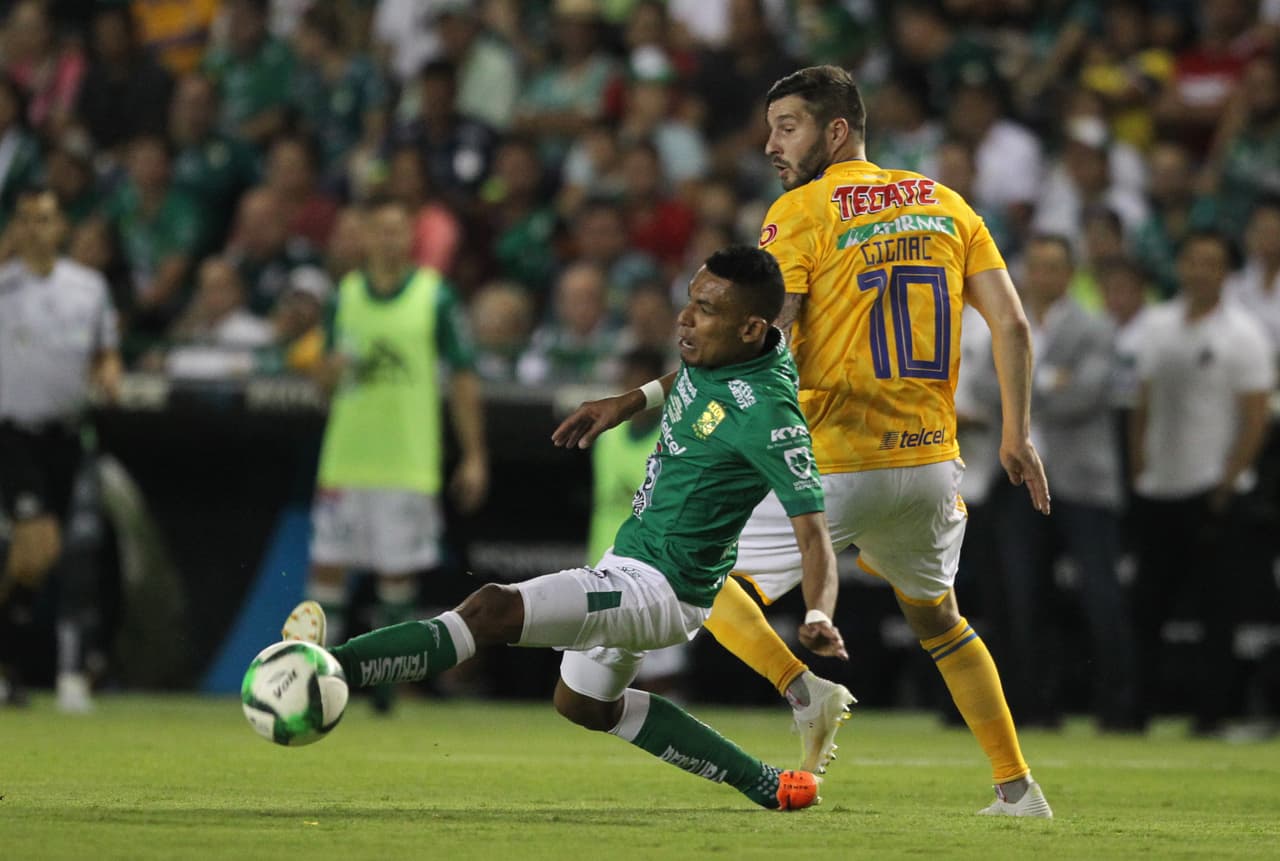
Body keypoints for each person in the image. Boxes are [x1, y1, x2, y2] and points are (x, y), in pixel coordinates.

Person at [557, 66, 1053, 817]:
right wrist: (1016, 433)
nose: (769, 144)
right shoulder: (947, 205)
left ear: (836, 131)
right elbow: (1013, 324)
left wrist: (646, 396)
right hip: (927, 463)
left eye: (786, 126)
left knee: (702, 584)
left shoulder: (802, 212)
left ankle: (804, 689)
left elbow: (757, 336)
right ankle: (1017, 787)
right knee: (942, 623)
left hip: (837, 457)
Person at [282, 246, 842, 811]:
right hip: (632, 560)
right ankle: (768, 786)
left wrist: (818, 612)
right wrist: (631, 400)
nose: (685, 318)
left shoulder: (771, 417)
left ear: (750, 327)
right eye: (689, 302)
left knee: (490, 609)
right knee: (583, 704)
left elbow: (814, 532)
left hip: (663, 590)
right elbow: (699, 377)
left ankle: (330, 667)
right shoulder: (726, 350)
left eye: (704, 309)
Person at [303, 195, 488, 712]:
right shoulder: (345, 296)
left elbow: (464, 378)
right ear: (364, 236)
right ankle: (317, 680)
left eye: (397, 230)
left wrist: (474, 454)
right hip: (346, 458)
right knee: (328, 569)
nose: (388, 239)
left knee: (397, 576)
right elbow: (322, 384)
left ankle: (385, 687)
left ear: (411, 238)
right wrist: (327, 371)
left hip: (407, 462)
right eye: (379, 229)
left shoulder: (435, 298)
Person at [976, 235, 1139, 732]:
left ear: (1071, 274)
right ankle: (1034, 708)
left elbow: (1088, 394)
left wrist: (1021, 392)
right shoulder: (1007, 323)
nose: (1045, 276)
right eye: (1037, 266)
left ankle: (1119, 709)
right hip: (1020, 480)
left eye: (1055, 267)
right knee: (1024, 598)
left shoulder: (1094, 327)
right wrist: (1050, 381)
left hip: (1083, 482)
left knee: (1101, 597)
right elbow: (983, 386)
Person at [1129, 230, 1275, 736]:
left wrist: (1227, 484)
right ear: (1180, 266)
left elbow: (1255, 418)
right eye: (1191, 260)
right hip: (1159, 490)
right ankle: (1136, 712)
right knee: (1146, 610)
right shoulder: (1156, 325)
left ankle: (1211, 715)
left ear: (1225, 272)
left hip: (1214, 491)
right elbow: (1141, 405)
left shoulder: (1244, 333)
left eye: (1211, 263)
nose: (1199, 271)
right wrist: (1139, 470)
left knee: (1219, 613)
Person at [0, 186, 121, 711]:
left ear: (61, 227)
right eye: (26, 219)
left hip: (66, 433)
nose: (35, 228)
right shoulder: (3, 287)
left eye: (45, 218)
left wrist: (109, 373)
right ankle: (7, 663)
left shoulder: (88, 288)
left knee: (39, 559)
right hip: (11, 431)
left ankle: (5, 661)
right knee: (39, 540)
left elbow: (105, 350)